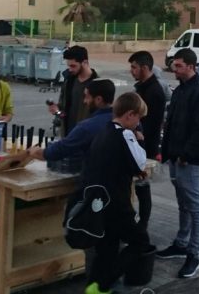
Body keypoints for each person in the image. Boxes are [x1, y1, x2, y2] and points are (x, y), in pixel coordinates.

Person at [28, 79, 116, 284]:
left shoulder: (88, 127)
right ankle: (110, 281)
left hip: (93, 193)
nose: (84, 101)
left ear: (99, 99)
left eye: (87, 97)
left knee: (92, 239)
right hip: (117, 192)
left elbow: (59, 150)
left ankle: (96, 284)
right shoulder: (124, 121)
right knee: (112, 239)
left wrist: (37, 153)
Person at [155, 47, 199, 279]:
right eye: (174, 65)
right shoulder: (181, 90)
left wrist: (186, 155)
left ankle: (194, 254)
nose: (174, 69)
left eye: (179, 66)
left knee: (195, 206)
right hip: (176, 157)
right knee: (183, 203)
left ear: (191, 66)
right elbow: (172, 124)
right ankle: (181, 243)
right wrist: (166, 152)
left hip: (189, 160)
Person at [82, 92, 149, 294]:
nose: (138, 123)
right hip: (118, 202)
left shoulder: (104, 130)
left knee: (107, 248)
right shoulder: (125, 134)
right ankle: (104, 283)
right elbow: (140, 163)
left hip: (100, 200)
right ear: (130, 114)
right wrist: (139, 140)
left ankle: (94, 288)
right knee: (140, 242)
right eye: (138, 118)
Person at [127, 50, 167, 231]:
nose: (131, 71)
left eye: (134, 67)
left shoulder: (154, 92)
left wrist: (137, 134)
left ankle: (142, 225)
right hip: (137, 144)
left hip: (145, 147)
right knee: (137, 187)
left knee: (142, 188)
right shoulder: (142, 88)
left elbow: (150, 124)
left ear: (144, 68)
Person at [46, 45, 98, 137]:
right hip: (67, 136)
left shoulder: (98, 84)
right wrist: (57, 110)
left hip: (86, 137)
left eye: (73, 66)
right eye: (69, 66)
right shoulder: (69, 81)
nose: (70, 69)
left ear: (85, 62)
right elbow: (63, 112)